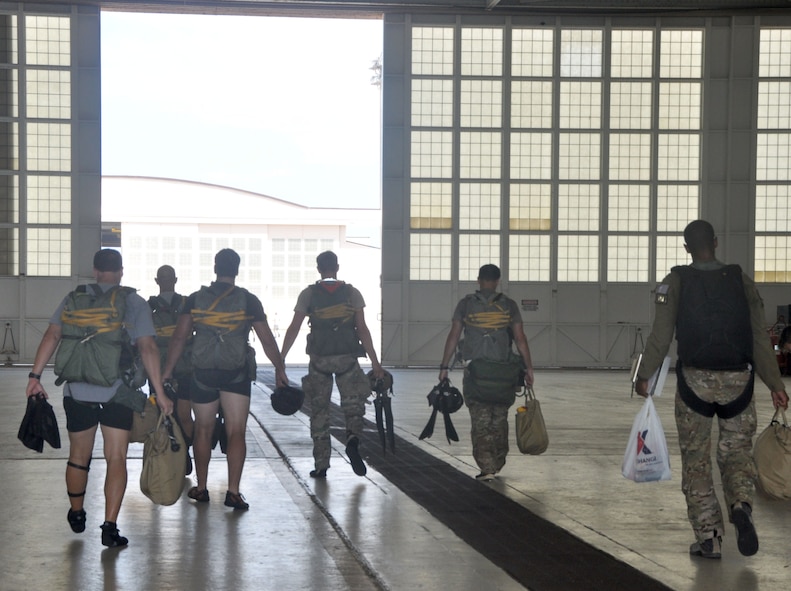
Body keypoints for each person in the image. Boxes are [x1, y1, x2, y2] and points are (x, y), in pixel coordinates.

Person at [635, 220, 789, 560]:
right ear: (716, 243)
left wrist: (643, 375)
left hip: (695, 384)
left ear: (686, 248)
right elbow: (760, 339)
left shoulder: (675, 281)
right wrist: (776, 385)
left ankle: (709, 538)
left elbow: (660, 337)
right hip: (739, 382)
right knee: (736, 454)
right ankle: (741, 505)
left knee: (697, 462)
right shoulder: (741, 280)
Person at [25, 249, 174, 547]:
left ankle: (77, 512)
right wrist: (160, 392)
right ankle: (109, 527)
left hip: (77, 391)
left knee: (79, 457)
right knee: (116, 457)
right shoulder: (133, 302)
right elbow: (148, 349)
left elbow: (51, 336)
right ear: (120, 271)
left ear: (95, 271)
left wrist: (35, 377)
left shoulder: (73, 298)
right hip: (117, 392)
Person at [163, 248, 287, 510]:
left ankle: (202, 487)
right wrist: (279, 368)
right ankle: (233, 492)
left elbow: (179, 337)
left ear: (215, 268)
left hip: (203, 375)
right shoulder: (249, 300)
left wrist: (167, 370)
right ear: (237, 270)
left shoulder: (195, 299)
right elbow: (266, 339)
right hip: (236, 376)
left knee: (203, 430)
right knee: (236, 431)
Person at [281, 250, 384, 478]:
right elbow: (362, 329)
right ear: (337, 267)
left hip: (320, 361)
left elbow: (294, 328)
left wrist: (281, 360)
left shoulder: (308, 294)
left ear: (318, 268)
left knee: (319, 412)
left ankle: (321, 465)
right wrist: (375, 363)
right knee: (353, 406)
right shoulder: (351, 293)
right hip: (347, 359)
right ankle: (353, 440)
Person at [437, 264, 534, 481]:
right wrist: (528, 368)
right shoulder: (509, 305)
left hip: (476, 373)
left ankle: (487, 467)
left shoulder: (465, 305)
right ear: (498, 280)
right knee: (499, 418)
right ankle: (498, 462)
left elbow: (453, 336)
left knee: (480, 421)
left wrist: (444, 367)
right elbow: (520, 339)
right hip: (503, 373)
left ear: (479, 280)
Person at [149, 264, 194, 474]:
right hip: (172, 367)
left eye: (168, 277)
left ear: (175, 280)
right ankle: (175, 455)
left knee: (179, 414)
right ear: (157, 281)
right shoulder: (185, 304)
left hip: (172, 368)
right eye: (163, 277)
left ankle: (182, 454)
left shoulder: (152, 306)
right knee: (167, 415)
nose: (166, 281)